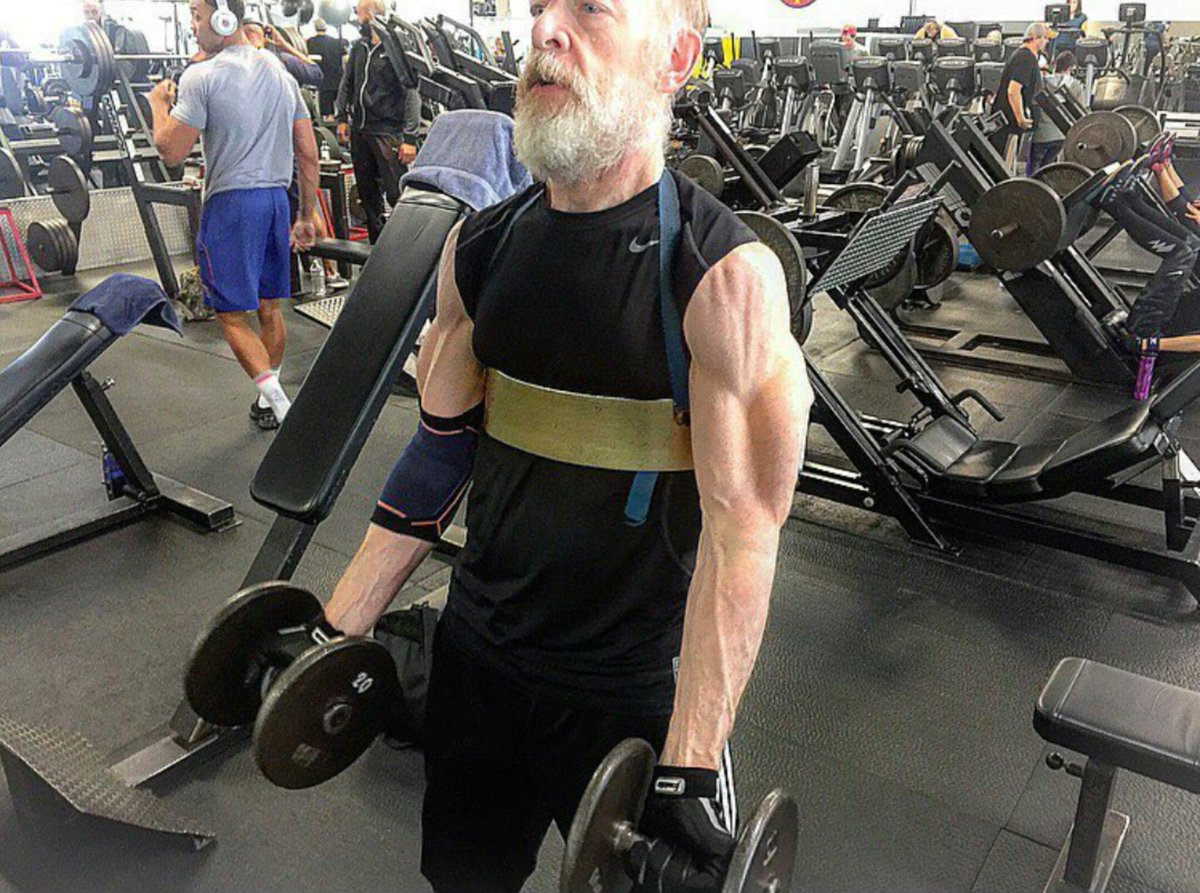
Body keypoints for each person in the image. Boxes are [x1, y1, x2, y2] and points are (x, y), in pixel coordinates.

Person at [314, 0, 812, 890]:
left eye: (590, 8)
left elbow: (743, 531)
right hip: (477, 659)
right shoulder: (479, 247)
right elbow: (437, 457)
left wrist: (692, 760)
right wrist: (334, 626)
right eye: (541, 6)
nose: (545, 30)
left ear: (675, 58)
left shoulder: (722, 279)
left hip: (633, 692)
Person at [147, 0, 318, 429]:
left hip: (232, 206)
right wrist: (305, 214)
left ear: (224, 18)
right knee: (269, 309)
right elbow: (308, 153)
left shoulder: (201, 76)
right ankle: (267, 402)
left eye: (197, 15)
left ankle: (281, 406)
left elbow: (170, 151)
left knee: (230, 316)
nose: (193, 25)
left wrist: (157, 105)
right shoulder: (282, 74)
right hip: (275, 201)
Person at [334, 0, 421, 243]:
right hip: (361, 130)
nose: (357, 18)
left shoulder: (397, 47)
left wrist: (410, 137)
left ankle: (407, 248)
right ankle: (376, 248)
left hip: (387, 131)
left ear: (373, 14)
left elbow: (412, 91)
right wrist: (342, 118)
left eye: (360, 13)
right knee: (367, 195)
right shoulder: (359, 47)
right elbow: (347, 83)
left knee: (397, 195)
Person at [990, 22, 1051, 158]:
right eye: (1045, 38)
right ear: (1035, 38)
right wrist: (1021, 118)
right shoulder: (1025, 57)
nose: (1047, 42)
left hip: (1010, 123)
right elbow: (1013, 90)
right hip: (1008, 124)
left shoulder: (1026, 56)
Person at [1029, 51, 1085, 172]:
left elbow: (1032, 102)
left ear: (1055, 64)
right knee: (1048, 170)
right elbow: (1080, 111)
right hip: (1061, 134)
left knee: (1034, 168)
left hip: (1040, 133)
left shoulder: (1042, 81)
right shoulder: (1076, 86)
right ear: (1071, 68)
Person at [306, 18, 346, 118]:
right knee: (342, 113)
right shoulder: (337, 42)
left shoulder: (310, 42)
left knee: (327, 115)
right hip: (339, 81)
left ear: (315, 28)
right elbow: (346, 59)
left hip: (323, 82)